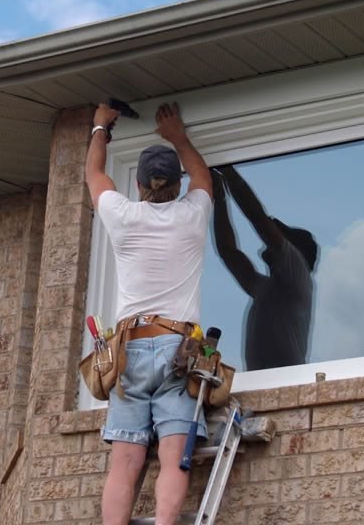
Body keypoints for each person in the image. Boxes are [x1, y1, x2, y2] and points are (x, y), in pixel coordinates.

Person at [85, 101, 213, 525]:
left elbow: (94, 176)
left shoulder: (123, 216)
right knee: (175, 458)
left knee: (125, 461)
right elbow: (204, 176)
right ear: (176, 185)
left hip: (130, 349)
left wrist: (100, 127)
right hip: (181, 348)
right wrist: (177, 136)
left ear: (139, 185)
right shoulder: (192, 215)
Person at [211, 165, 318, 370]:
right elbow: (228, 251)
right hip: (263, 383)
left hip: (286, 385)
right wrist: (220, 199)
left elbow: (258, 218)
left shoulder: (299, 272)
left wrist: (228, 171)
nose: (271, 240)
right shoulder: (268, 289)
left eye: (282, 236)